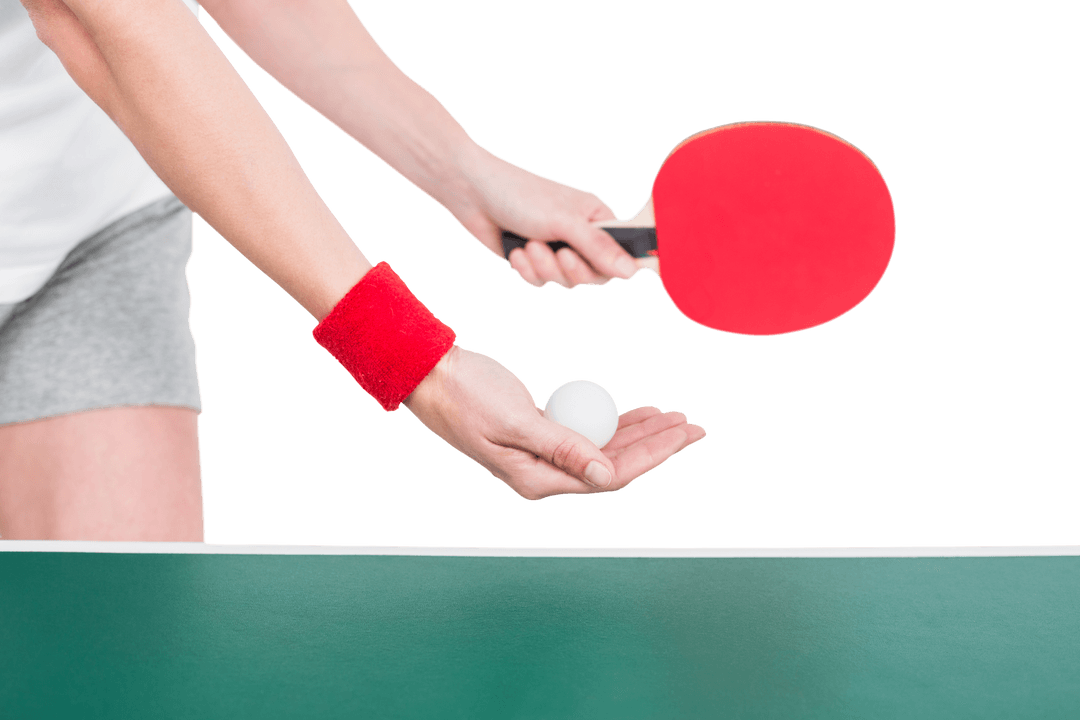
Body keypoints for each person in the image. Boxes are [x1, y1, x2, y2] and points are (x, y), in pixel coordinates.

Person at [0, 0, 706, 541]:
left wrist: (465, 172)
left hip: (89, 216)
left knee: (120, 671)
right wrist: (417, 361)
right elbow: (103, 19)